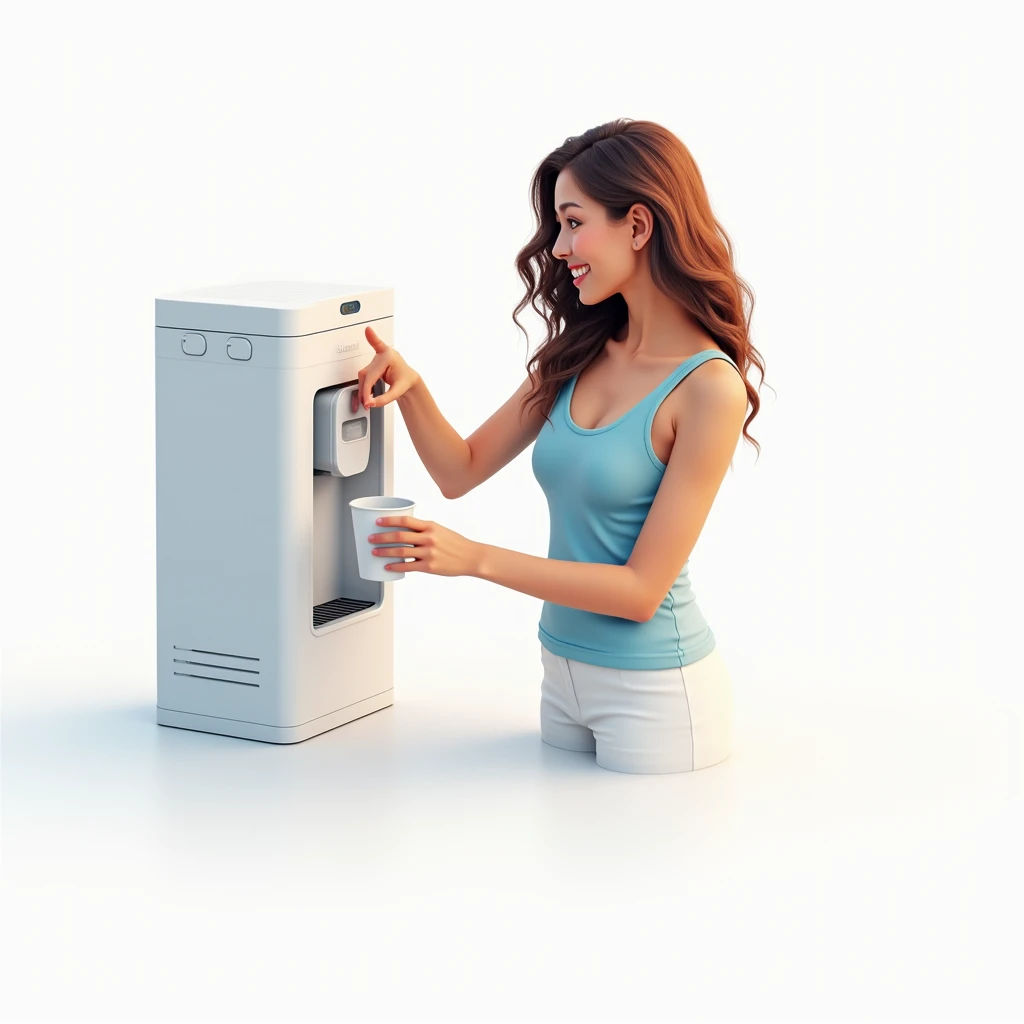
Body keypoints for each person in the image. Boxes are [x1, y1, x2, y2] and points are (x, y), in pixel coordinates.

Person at [358, 118, 768, 775]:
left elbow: (639, 591)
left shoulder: (707, 388)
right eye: (557, 225)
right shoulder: (576, 356)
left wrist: (474, 558)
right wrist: (411, 389)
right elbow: (458, 469)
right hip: (559, 675)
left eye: (574, 222)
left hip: (657, 693)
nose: (557, 246)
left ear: (638, 226)